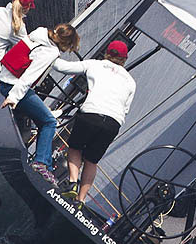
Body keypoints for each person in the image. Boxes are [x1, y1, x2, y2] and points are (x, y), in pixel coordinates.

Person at [54, 41, 136, 205]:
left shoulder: (96, 65)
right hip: (113, 123)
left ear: (107, 53)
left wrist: (49, 51)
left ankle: (72, 182)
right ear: (124, 59)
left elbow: (62, 67)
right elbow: (125, 109)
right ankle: (81, 200)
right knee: (92, 161)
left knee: (75, 148)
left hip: (91, 114)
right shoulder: (131, 81)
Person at [0, 23, 80, 185]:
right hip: (15, 88)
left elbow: (24, 55)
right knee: (48, 122)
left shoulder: (40, 32)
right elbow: (30, 74)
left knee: (27, 123)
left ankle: (14, 158)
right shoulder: (50, 52)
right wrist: (14, 97)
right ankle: (41, 164)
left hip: (5, 80)